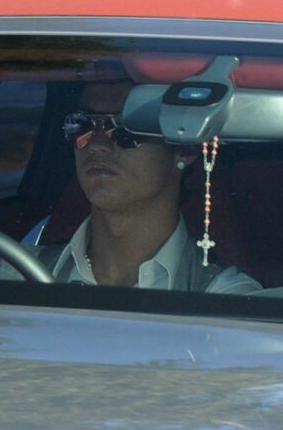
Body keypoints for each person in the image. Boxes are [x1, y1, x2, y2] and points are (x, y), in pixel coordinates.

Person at [43, 86, 259, 293]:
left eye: (127, 129)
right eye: (82, 126)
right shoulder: (14, 276)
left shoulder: (227, 302)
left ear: (185, 148)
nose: (97, 144)